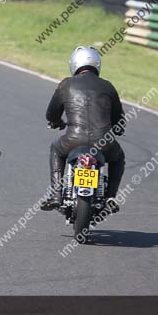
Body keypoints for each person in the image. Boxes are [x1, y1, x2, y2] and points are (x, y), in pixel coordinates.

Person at [41, 46, 126, 212]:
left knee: (56, 149)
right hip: (104, 143)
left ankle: (57, 195)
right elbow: (119, 119)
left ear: (74, 64)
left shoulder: (65, 84)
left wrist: (56, 122)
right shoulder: (108, 86)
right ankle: (110, 197)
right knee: (118, 158)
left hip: (72, 140)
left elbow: (51, 114)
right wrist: (117, 129)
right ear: (97, 64)